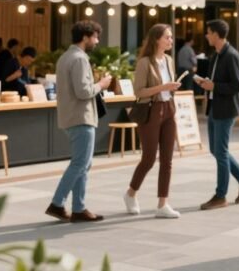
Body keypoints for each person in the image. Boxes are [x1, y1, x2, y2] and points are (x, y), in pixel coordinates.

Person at [46, 21, 112, 223]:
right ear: (85, 37)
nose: (97, 41)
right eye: (95, 37)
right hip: (81, 117)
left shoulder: (65, 57)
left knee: (83, 163)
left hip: (70, 116)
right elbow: (83, 91)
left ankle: (78, 208)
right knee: (80, 163)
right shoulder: (79, 59)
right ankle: (57, 204)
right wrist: (101, 84)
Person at [124, 24, 183, 219]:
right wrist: (163, 87)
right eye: (167, 37)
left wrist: (171, 88)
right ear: (157, 39)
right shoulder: (144, 63)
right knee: (149, 158)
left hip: (168, 110)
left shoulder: (169, 60)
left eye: (171, 37)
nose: (170, 41)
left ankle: (162, 204)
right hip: (151, 111)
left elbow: (167, 89)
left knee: (167, 160)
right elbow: (138, 92)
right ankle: (131, 193)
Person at [197, 19, 239, 210]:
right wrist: (207, 83)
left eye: (208, 32)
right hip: (215, 106)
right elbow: (218, 82)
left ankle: (220, 196)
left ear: (215, 34)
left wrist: (215, 86)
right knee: (216, 150)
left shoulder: (232, 56)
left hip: (226, 109)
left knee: (220, 151)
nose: (206, 36)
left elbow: (237, 85)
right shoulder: (216, 55)